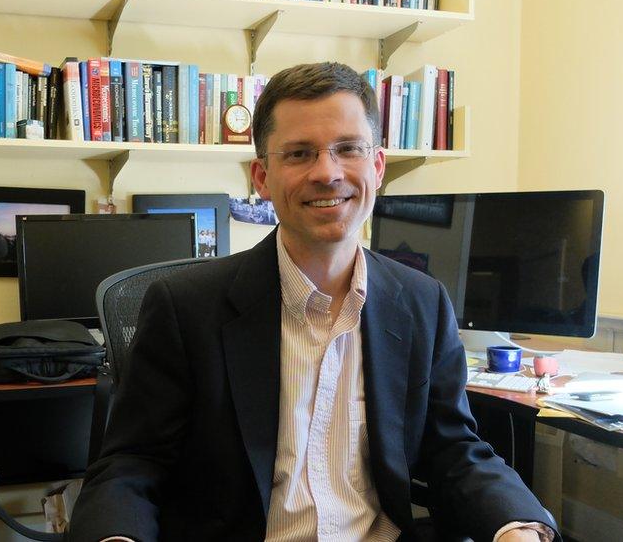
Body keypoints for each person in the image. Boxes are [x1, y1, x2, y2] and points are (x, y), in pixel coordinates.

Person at [68, 63, 558, 542]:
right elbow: (133, 463)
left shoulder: (421, 302)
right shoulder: (185, 306)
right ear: (261, 176)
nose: (327, 173)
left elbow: (454, 448)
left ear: (378, 166)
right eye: (299, 153)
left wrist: (515, 527)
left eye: (348, 149)